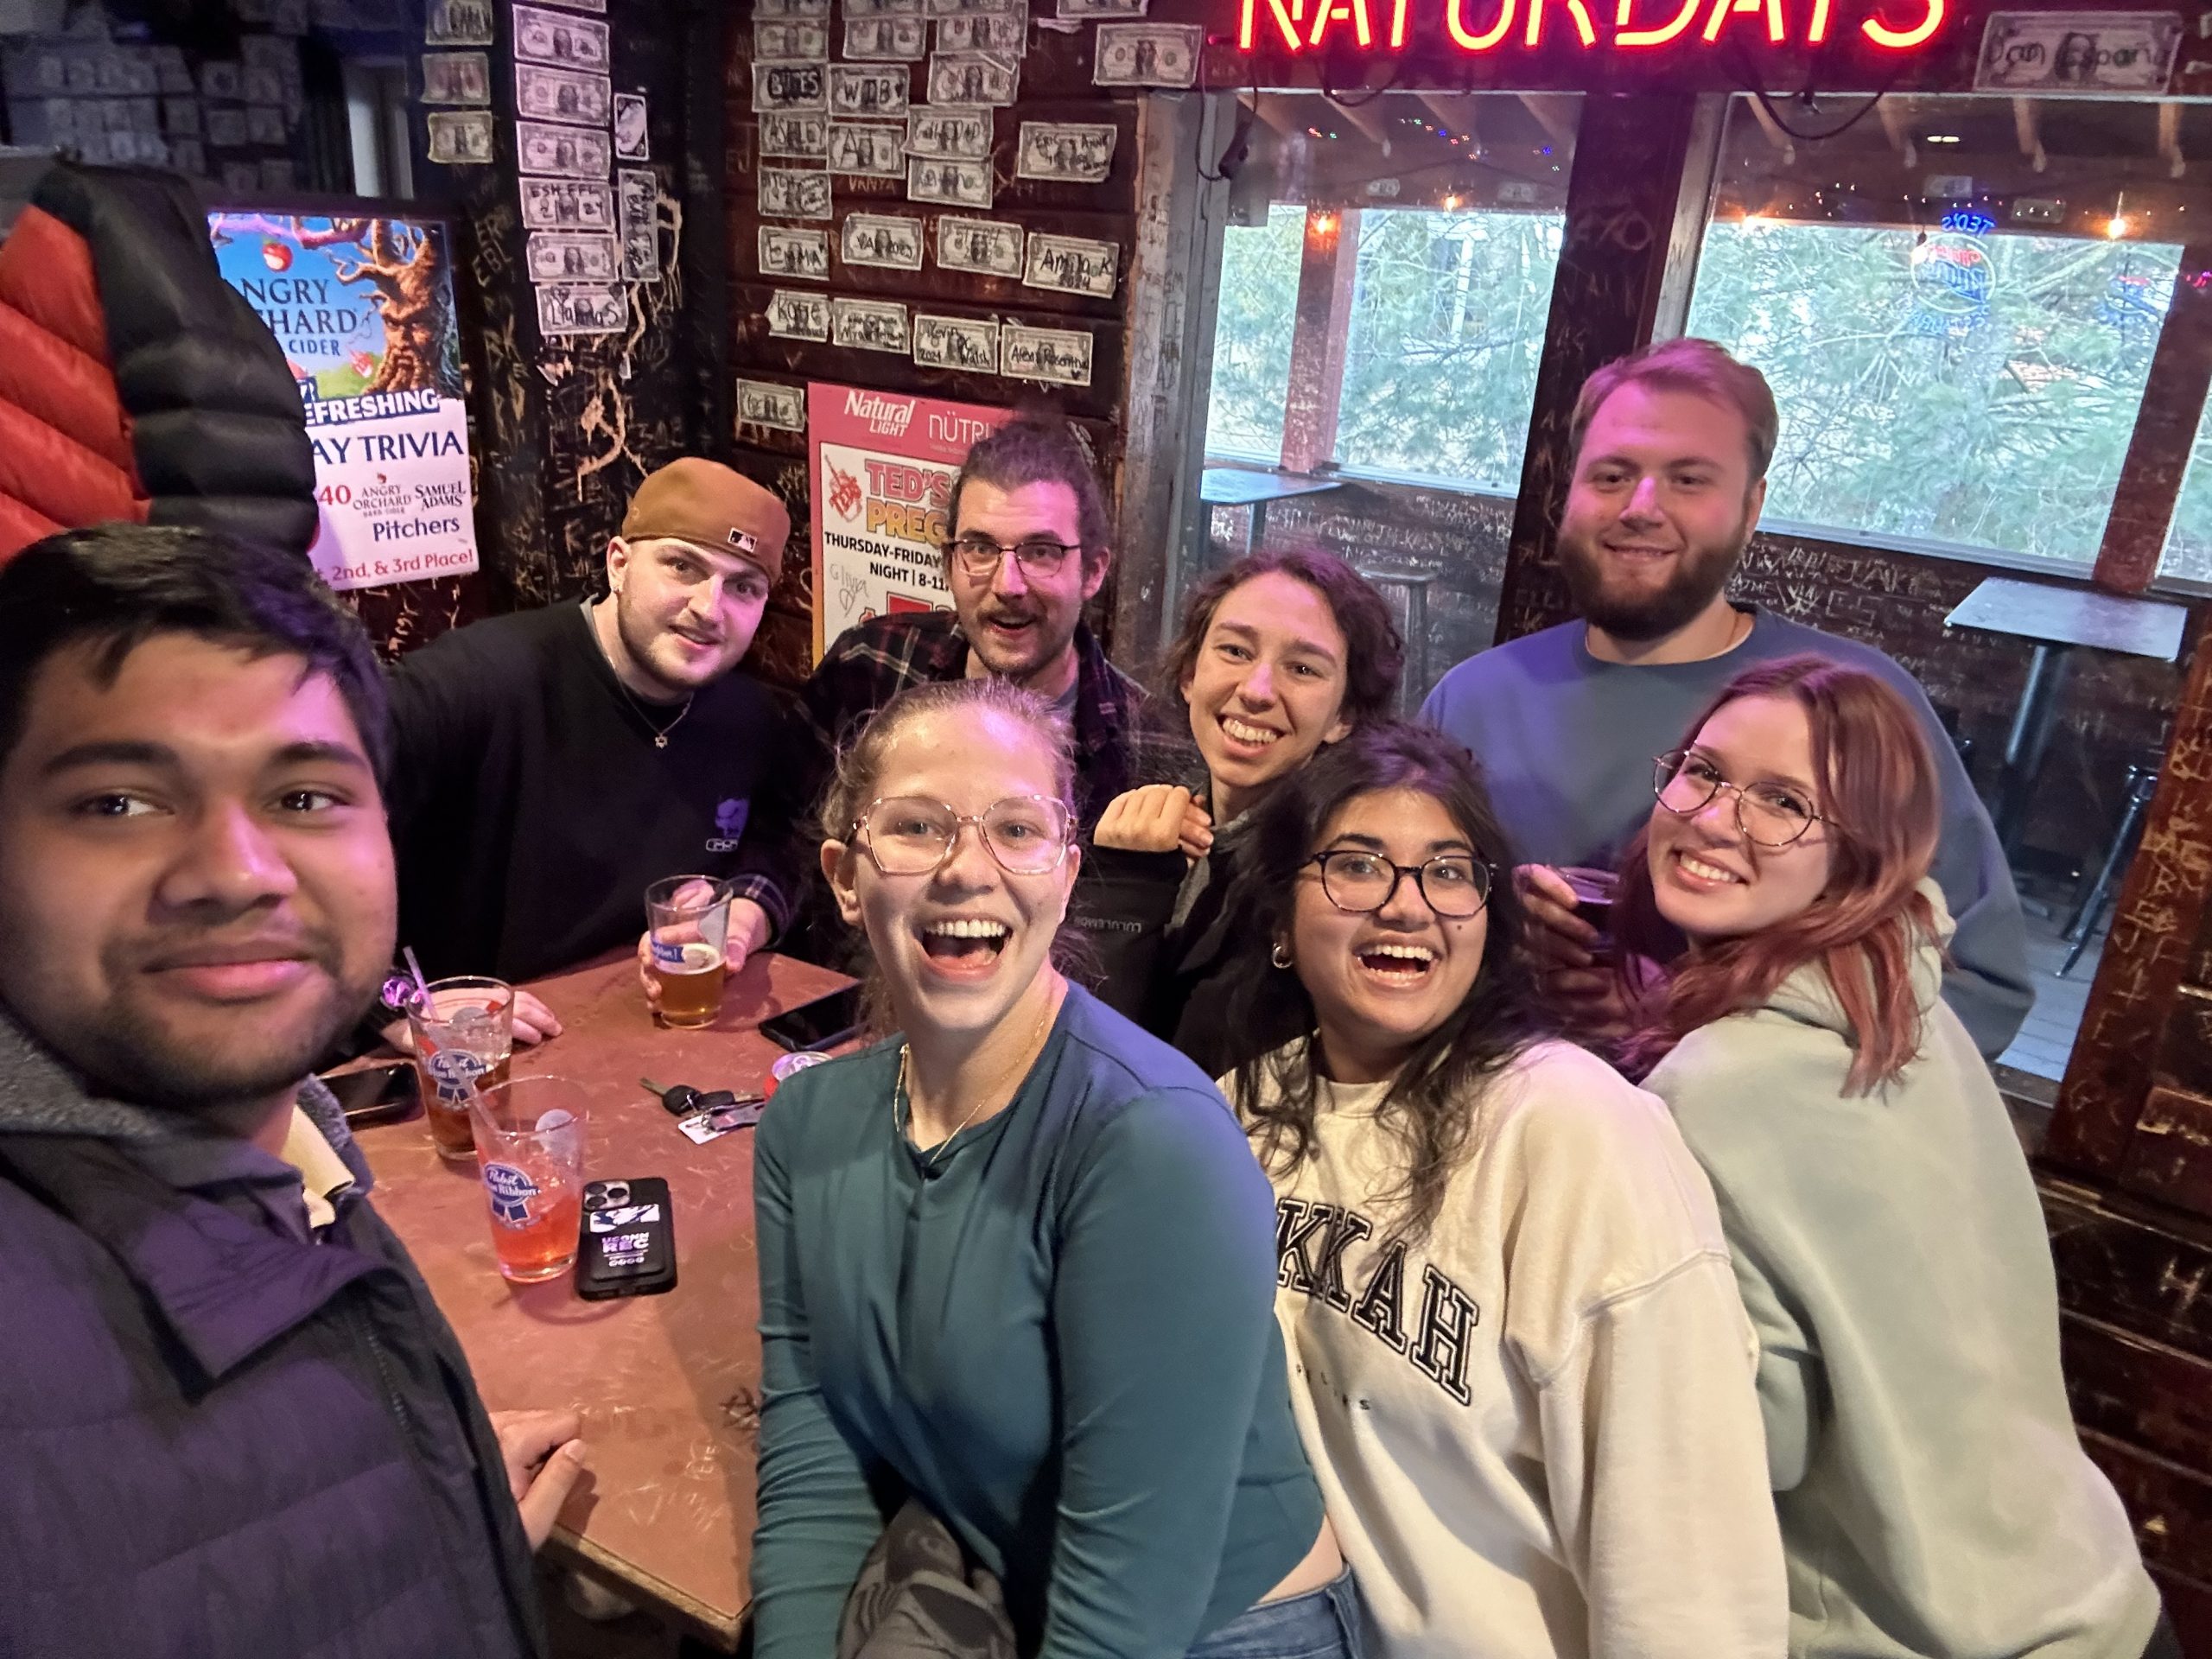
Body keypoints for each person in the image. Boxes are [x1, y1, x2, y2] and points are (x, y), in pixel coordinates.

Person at [0, 524, 588, 1657]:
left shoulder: (298, 1171)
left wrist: (428, 1521)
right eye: (118, 801)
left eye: (305, 797)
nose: (234, 871)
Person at [750, 677, 1352, 1659]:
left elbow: (1124, 1612)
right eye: (915, 826)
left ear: (1066, 873)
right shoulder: (807, 1123)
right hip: (1016, 1589)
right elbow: (818, 1456)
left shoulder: (1152, 1143)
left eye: (1016, 830)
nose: (967, 870)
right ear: (844, 877)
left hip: (1225, 1631)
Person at [1618, 655, 2168, 1659]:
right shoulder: (1910, 1007)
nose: (1712, 817)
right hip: (2096, 1599)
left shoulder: (1716, 1087)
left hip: (1926, 1634)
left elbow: (1753, 1437)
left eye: (1783, 802)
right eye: (1702, 770)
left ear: (1864, 851)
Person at [1218, 721, 1785, 1659]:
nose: (1409, 907)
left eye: (1449, 872)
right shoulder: (1236, 1112)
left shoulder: (1574, 1132)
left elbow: (1688, 1565)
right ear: (1281, 916)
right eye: (1357, 866)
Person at [1419, 338, 2031, 1058]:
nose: (1641, 508)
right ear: (1570, 493)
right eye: (1612, 475)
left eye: (1688, 480)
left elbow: (1978, 993)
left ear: (1751, 507)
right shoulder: (1474, 696)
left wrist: (1684, 1015)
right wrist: (1494, 931)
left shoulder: (1854, 705)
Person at [383, 456, 802, 995]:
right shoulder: (479, 680)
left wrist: (741, 908)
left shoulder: (745, 717)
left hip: (638, 1029)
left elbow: (777, 846)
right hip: (475, 1042)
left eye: (743, 587)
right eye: (683, 567)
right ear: (619, 565)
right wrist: (397, 1002)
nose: (709, 608)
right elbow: (301, 825)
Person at [797, 413, 1192, 837]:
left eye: (1042, 551)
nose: (1008, 585)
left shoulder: (1154, 749)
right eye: (980, 548)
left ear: (1093, 572)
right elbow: (789, 835)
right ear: (950, 564)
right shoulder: (870, 666)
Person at [1086, 548, 1402, 1074]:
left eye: (1302, 668)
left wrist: (1126, 893)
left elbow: (1123, 1074)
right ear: (1190, 675)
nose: (1256, 691)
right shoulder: (1167, 826)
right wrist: (1125, 880)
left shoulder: (1335, 887)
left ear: (1344, 714)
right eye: (1234, 651)